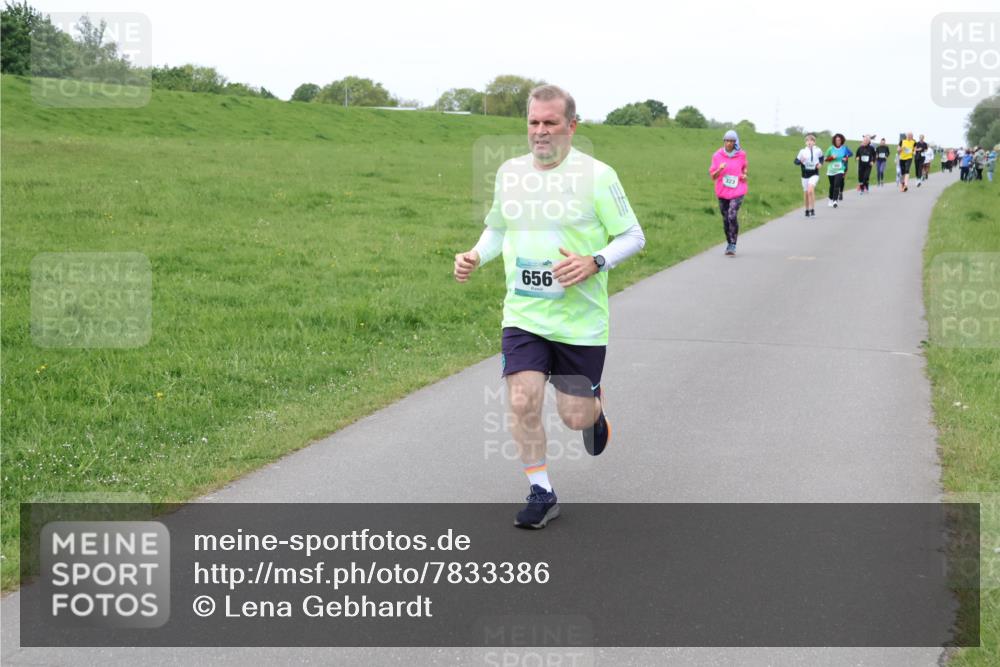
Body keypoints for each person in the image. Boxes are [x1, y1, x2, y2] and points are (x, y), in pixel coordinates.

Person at [454, 84, 645, 529]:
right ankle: (541, 490)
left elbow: (634, 236)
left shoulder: (598, 176)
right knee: (522, 399)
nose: (540, 132)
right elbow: (497, 229)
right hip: (524, 314)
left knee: (573, 414)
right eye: (533, 123)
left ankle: (595, 412)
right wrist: (474, 255)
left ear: (571, 127)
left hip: (580, 321)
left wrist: (594, 262)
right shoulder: (509, 173)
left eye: (550, 123)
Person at [709, 130, 749, 255]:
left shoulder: (741, 154)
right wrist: (719, 169)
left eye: (732, 141)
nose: (729, 143)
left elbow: (744, 167)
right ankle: (728, 243)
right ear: (724, 141)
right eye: (727, 140)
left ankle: (733, 244)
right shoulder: (717, 156)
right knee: (726, 219)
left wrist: (744, 174)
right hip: (722, 191)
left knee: (732, 215)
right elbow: (713, 176)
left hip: (738, 190)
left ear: (735, 142)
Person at [794, 134, 823, 217]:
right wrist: (800, 161)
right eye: (807, 141)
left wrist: (820, 164)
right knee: (806, 193)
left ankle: (812, 209)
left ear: (814, 142)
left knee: (810, 190)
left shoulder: (818, 150)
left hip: (814, 174)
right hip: (805, 174)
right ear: (805, 142)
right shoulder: (802, 151)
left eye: (811, 140)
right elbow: (795, 161)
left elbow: (821, 157)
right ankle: (806, 210)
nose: (809, 142)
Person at [824, 133, 848, 207]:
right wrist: (831, 158)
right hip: (831, 170)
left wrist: (845, 159)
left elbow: (846, 157)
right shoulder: (830, 148)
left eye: (839, 140)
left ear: (841, 141)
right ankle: (830, 199)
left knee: (837, 184)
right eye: (836, 140)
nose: (838, 141)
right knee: (832, 185)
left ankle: (835, 200)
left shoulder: (844, 148)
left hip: (840, 169)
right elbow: (825, 159)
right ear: (834, 141)